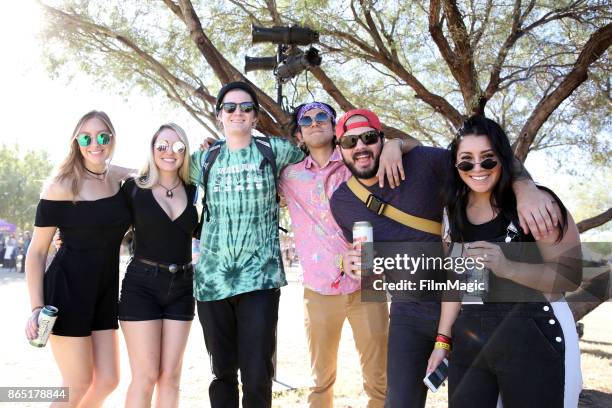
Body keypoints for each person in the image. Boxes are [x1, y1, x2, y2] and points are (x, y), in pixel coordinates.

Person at [329, 109, 558, 408]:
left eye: (369, 138)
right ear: (340, 149)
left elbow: (482, 162)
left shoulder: (424, 161)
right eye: (350, 142)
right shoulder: (342, 202)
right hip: (408, 314)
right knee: (399, 403)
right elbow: (370, 268)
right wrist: (349, 266)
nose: (360, 147)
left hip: (469, 306)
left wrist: (526, 187)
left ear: (381, 139)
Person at [426, 115, 582, 408]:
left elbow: (570, 276)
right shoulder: (453, 213)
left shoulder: (537, 205)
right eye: (466, 161)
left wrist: (508, 267)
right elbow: (455, 284)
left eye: (488, 159)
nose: (477, 169)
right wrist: (442, 341)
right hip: (472, 341)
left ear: (503, 158)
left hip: (536, 336)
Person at [279, 102, 420, 407]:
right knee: (320, 382)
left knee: (378, 380)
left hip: (367, 286)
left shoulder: (359, 161)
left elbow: (415, 147)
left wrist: (395, 144)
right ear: (299, 134)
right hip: (318, 290)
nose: (315, 122)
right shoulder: (288, 176)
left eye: (322, 117)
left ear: (334, 126)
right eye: (307, 119)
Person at [189, 81, 306, 407]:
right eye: (230, 107)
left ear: (255, 116)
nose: (237, 112)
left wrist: (395, 146)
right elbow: (162, 173)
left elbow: (321, 157)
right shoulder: (205, 158)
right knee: (222, 374)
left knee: (257, 375)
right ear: (219, 115)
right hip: (212, 282)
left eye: (246, 107)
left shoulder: (275, 150)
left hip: (260, 280)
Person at [24, 110, 131, 407]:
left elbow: (151, 170)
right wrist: (35, 307)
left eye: (102, 136)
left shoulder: (116, 177)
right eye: (86, 137)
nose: (94, 143)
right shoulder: (61, 185)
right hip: (67, 291)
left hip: (106, 291)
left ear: (111, 138)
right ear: (76, 141)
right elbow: (36, 252)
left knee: (108, 380)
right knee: (77, 383)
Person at [118, 123, 197, 407]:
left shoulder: (194, 188)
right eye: (161, 146)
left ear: (185, 151)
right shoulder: (134, 187)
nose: (169, 152)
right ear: (152, 150)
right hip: (141, 285)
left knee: (171, 377)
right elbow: (106, 225)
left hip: (184, 286)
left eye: (177, 147)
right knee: (145, 375)